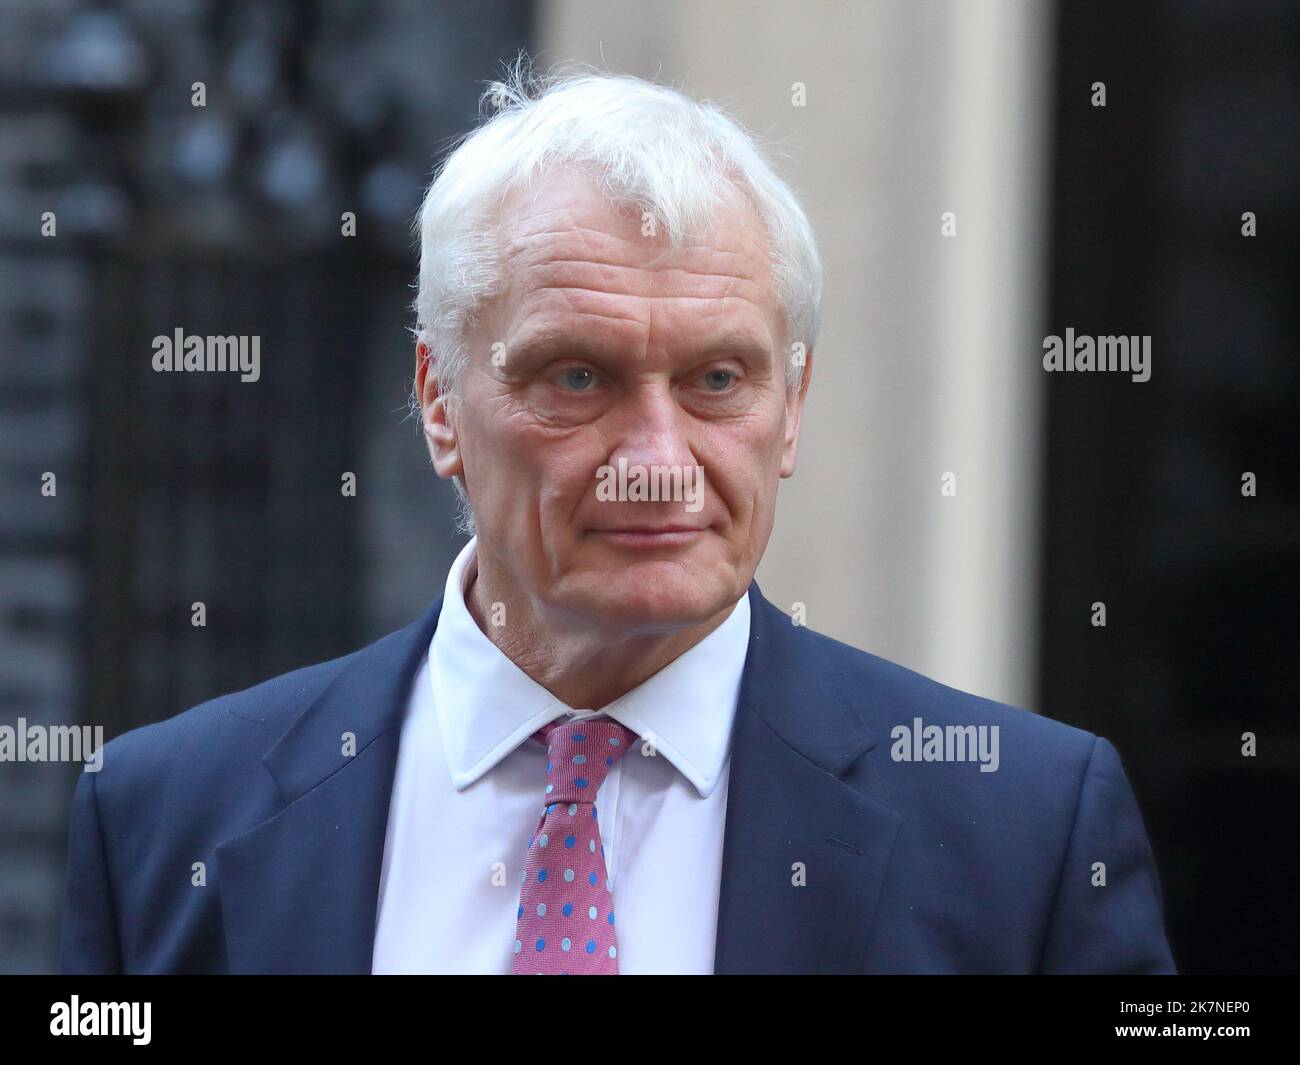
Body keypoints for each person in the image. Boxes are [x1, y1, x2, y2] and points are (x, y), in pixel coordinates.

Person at [60, 67, 1176, 975]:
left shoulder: (1022, 832)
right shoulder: (167, 819)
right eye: (578, 377)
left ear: (792, 408)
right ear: (440, 401)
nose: (655, 462)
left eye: (719, 381)